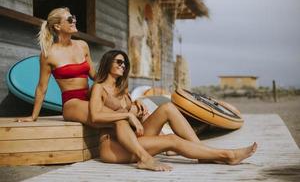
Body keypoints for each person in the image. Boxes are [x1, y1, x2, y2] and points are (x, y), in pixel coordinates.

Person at [15, 7, 172, 171]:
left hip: (90, 97)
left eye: (74, 17)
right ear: (57, 27)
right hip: (72, 102)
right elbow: (42, 87)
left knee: (134, 109)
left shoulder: (82, 46)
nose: (74, 20)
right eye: (69, 19)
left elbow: (95, 76)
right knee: (119, 117)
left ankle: (162, 143)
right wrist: (33, 117)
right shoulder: (48, 54)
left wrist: (126, 97)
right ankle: (144, 157)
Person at [89, 50, 258, 171]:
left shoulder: (122, 89)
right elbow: (95, 116)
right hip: (113, 146)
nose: (123, 66)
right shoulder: (99, 88)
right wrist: (127, 114)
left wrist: (136, 109)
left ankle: (202, 151)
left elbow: (129, 114)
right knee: (172, 140)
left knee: (167, 107)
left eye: (125, 63)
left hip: (132, 138)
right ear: (107, 63)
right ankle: (227, 155)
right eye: (119, 62)